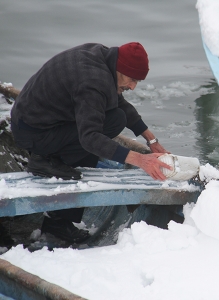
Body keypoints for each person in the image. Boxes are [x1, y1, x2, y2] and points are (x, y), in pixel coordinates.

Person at [10, 42, 172, 243]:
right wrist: (141, 160)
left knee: (116, 117)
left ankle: (53, 170)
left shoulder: (103, 58)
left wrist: (151, 140)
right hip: (34, 132)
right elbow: (90, 138)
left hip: (39, 120)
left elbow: (118, 103)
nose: (133, 86)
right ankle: (47, 176)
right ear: (120, 69)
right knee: (100, 135)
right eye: (131, 80)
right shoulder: (93, 81)